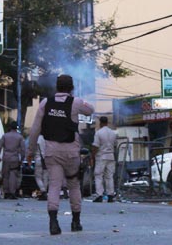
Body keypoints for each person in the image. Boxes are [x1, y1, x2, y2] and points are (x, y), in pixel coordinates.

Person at [27, 74, 95, 235]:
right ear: (71, 88)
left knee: (54, 185)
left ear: (56, 87)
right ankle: (76, 221)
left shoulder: (45, 103)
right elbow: (90, 110)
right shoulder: (76, 102)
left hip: (52, 152)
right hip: (71, 152)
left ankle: (53, 222)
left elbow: (35, 130)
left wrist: (30, 151)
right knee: (73, 185)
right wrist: (78, 100)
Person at [0, 121, 26, 199]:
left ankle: (6, 192)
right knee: (13, 175)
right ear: (16, 128)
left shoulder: (5, 136)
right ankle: (12, 192)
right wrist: (22, 159)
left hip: (6, 157)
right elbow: (23, 149)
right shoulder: (20, 137)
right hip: (14, 158)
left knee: (5, 175)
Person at [92, 116, 118, 203]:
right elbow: (115, 145)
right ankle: (110, 195)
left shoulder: (98, 133)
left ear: (100, 122)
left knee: (98, 175)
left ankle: (99, 195)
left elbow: (95, 146)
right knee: (109, 176)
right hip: (111, 156)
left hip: (101, 156)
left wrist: (92, 156)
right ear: (107, 122)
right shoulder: (113, 133)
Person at [34, 135, 49, 201]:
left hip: (39, 159)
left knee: (38, 177)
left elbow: (33, 149)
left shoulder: (38, 138)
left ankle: (43, 191)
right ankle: (45, 191)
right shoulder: (48, 138)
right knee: (45, 177)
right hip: (47, 159)